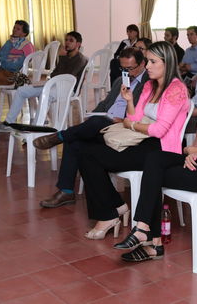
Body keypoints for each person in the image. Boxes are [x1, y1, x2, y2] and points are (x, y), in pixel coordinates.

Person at [114, 51, 197, 262]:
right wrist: (192, 153)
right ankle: (145, 231)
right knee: (155, 159)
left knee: (154, 175)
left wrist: (192, 151)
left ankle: (151, 240)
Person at [78, 41, 190, 240]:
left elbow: (159, 129)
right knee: (86, 152)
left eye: (152, 61)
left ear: (167, 63)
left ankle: (108, 213)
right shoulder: (149, 85)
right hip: (142, 141)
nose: (147, 66)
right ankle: (114, 207)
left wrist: (131, 126)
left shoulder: (176, 89)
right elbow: (134, 117)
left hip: (162, 149)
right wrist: (129, 100)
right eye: (147, 61)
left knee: (91, 155)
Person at [34, 48, 149, 207]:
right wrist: (94, 114)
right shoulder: (120, 81)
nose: (126, 73)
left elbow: (143, 114)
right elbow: (105, 103)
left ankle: (59, 136)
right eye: (123, 68)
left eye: (130, 68)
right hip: (104, 123)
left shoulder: (148, 84)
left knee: (83, 129)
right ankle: (66, 192)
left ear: (142, 63)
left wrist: (122, 120)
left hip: (122, 128)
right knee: (75, 139)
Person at [0, 31, 88, 126]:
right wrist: (62, 59)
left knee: (45, 95)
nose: (67, 43)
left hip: (68, 89)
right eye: (66, 40)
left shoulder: (81, 59)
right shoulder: (64, 57)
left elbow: (68, 77)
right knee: (21, 91)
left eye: (71, 41)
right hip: (54, 84)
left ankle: (37, 126)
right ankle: (9, 122)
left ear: (78, 44)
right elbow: (54, 74)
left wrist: (61, 63)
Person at [0, 20, 35, 85]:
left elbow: (16, 66)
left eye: (18, 29)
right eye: (14, 28)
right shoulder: (10, 42)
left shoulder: (27, 45)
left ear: (24, 33)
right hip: (2, 70)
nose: (14, 30)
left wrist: (2, 61)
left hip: (14, 76)